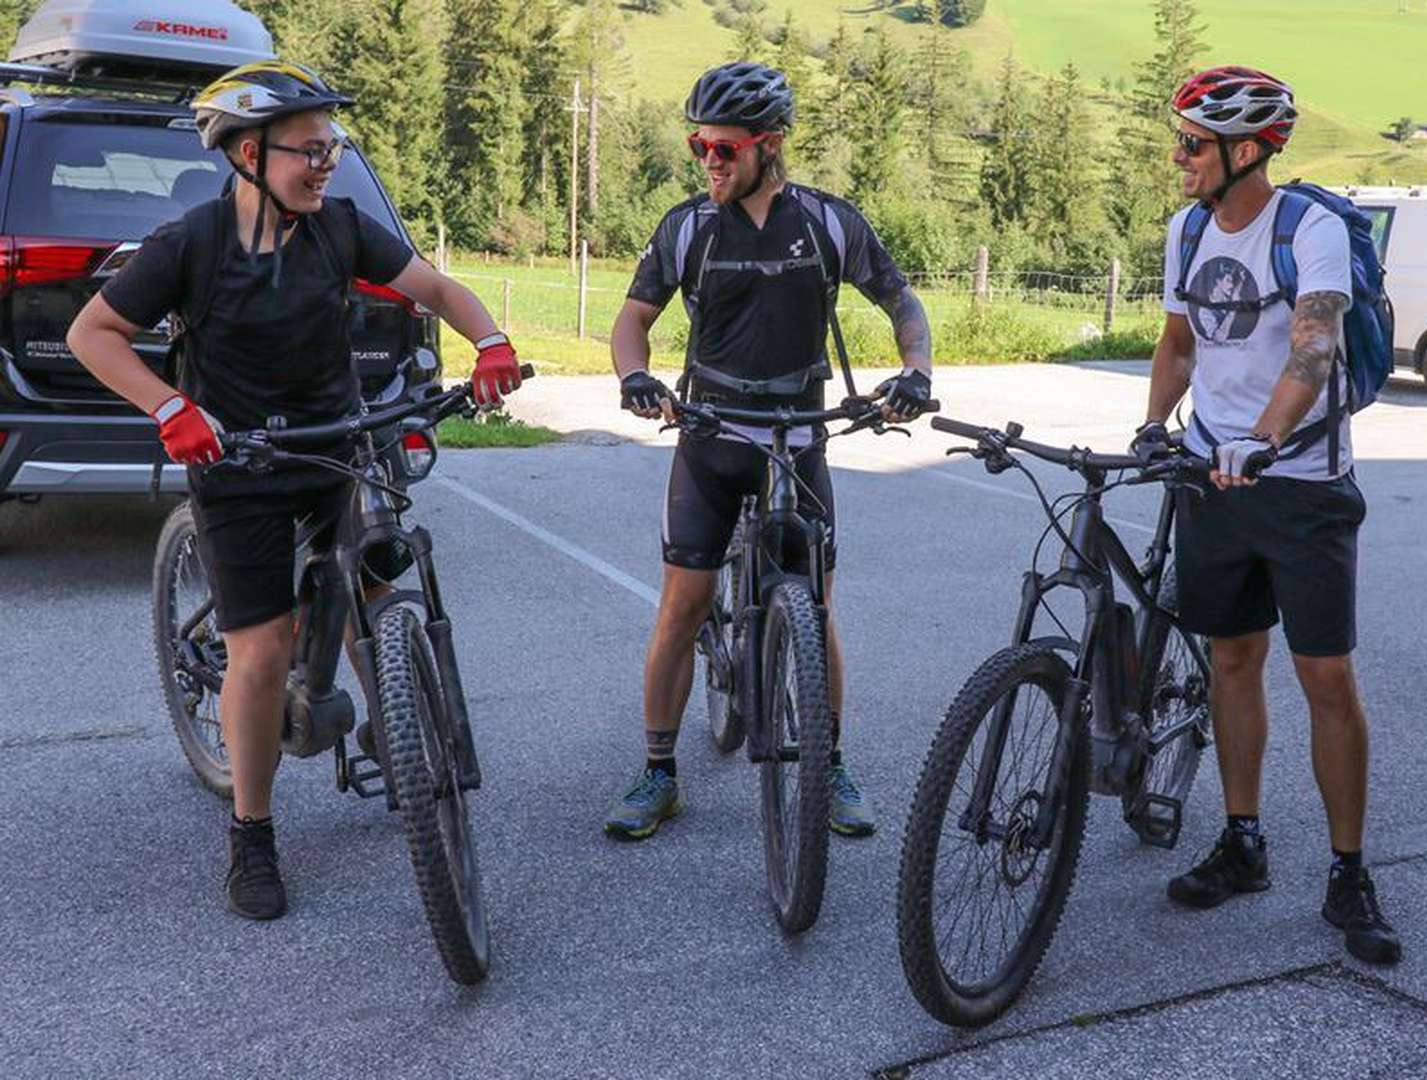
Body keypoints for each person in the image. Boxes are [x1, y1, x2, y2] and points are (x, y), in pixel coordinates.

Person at [66, 61, 524, 920]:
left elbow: (431, 286)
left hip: (338, 445)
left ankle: (402, 747)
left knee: (374, 593)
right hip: (239, 466)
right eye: (310, 150)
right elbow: (93, 334)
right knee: (265, 650)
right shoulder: (188, 246)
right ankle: (252, 832)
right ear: (249, 154)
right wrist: (170, 406)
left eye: (333, 148)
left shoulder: (341, 229)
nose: (327, 164)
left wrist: (490, 340)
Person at [603, 61, 933, 840]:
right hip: (710, 437)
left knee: (815, 610)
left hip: (800, 439)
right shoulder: (686, 226)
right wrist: (635, 375)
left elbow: (901, 300)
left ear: (769, 146)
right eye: (698, 147)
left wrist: (915, 371)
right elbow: (632, 320)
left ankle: (830, 762)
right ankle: (658, 771)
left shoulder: (826, 222)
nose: (708, 161)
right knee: (683, 605)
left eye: (723, 148)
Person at [1132, 66, 1400, 963]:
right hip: (1214, 477)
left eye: (1193, 144)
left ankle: (1349, 870)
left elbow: (1314, 341)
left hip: (1302, 484)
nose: (1179, 158)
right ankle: (1242, 841)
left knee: (1325, 678)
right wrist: (1150, 424)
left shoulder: (1310, 228)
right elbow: (1178, 341)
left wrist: (1264, 438)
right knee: (1232, 659)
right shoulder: (1187, 228)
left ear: (1245, 152)